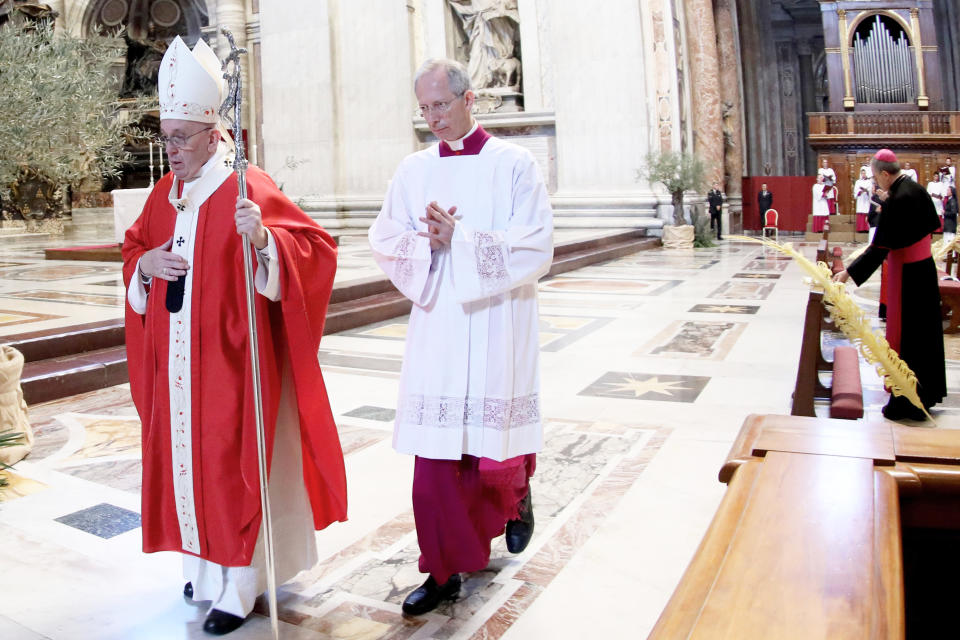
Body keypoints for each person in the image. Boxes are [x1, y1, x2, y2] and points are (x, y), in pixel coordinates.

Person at [121, 37, 347, 636]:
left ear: (214, 134)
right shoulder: (163, 197)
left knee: (230, 466)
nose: (171, 151)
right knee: (189, 463)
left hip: (232, 364)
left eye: (181, 139)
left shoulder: (248, 187)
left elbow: (317, 252)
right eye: (165, 138)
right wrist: (145, 268)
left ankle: (241, 583)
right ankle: (204, 564)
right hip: (176, 363)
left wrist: (266, 242)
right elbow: (136, 249)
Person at [369, 58, 552, 616]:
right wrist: (425, 244)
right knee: (437, 464)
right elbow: (385, 238)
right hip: (441, 327)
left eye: (440, 106)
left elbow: (537, 244)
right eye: (424, 109)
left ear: (470, 99)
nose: (432, 119)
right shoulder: (413, 169)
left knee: (491, 453)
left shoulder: (515, 164)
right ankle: (443, 569)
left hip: (497, 320)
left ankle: (515, 499)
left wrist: (464, 239)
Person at [834, 149, 946, 421]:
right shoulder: (915, 189)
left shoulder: (898, 198)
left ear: (885, 173)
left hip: (908, 276)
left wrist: (847, 274)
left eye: (876, 177)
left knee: (908, 337)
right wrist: (891, 208)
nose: (876, 183)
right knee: (925, 336)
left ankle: (907, 402)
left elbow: (879, 248)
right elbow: (930, 226)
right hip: (924, 271)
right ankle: (926, 394)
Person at [854, 168, 873, 234]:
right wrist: (860, 191)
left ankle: (866, 228)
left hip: (867, 199)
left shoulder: (869, 181)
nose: (863, 175)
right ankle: (860, 229)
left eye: (864, 173)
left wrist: (867, 191)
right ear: (860, 174)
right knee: (861, 213)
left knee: (866, 212)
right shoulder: (858, 182)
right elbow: (856, 191)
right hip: (861, 199)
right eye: (862, 173)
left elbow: (871, 190)